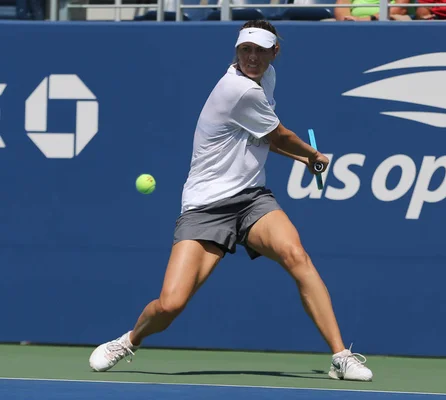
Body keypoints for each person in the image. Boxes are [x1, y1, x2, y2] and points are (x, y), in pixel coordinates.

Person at [88, 19, 373, 382]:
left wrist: (304, 160)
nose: (251, 57)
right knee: (171, 303)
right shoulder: (238, 90)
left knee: (296, 255)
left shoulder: (265, 79)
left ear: (275, 52)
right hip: (206, 207)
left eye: (259, 51)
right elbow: (280, 134)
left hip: (252, 199)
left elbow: (264, 137)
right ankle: (129, 340)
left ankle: (340, 356)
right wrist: (313, 155)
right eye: (245, 50)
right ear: (236, 52)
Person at [334, 0, 411, 21]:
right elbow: (342, 5)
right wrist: (347, 21)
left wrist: (362, 20)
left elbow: (400, 8)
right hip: (354, 22)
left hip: (391, 20)